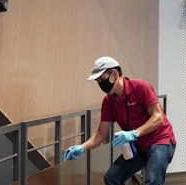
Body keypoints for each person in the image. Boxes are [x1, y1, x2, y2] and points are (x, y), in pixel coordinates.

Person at [63, 56, 176, 185]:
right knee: (111, 178)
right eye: (98, 81)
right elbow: (100, 134)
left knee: (152, 181)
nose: (101, 84)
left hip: (160, 141)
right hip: (138, 147)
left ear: (115, 73)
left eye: (102, 79)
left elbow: (158, 117)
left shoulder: (140, 87)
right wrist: (82, 147)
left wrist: (134, 133)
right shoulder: (108, 101)